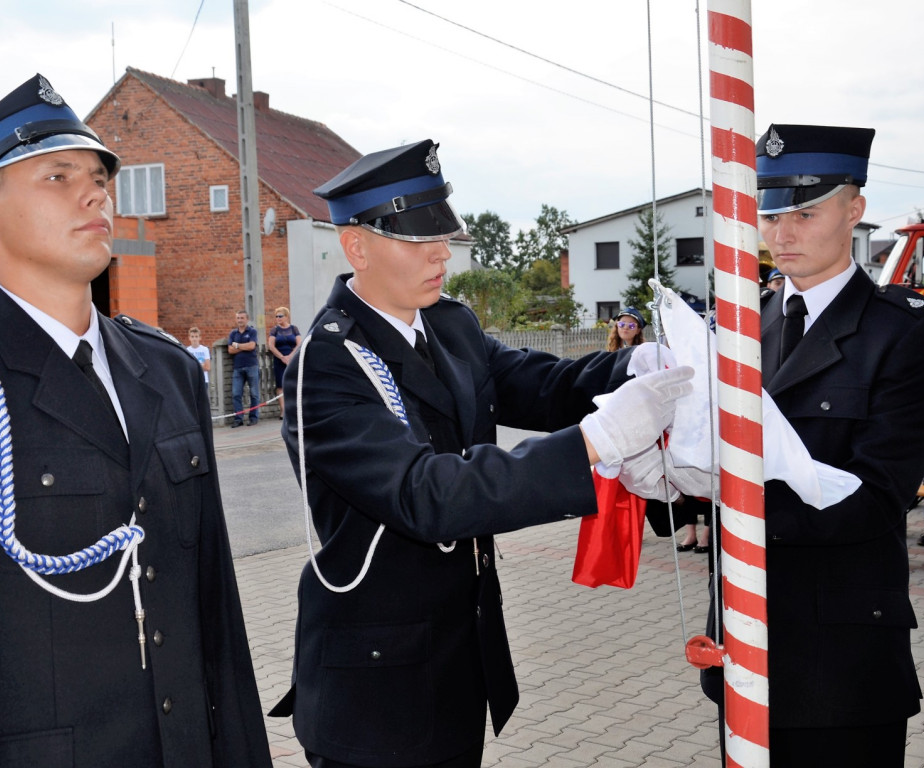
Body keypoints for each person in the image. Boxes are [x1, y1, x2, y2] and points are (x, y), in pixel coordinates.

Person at [266, 139, 694, 768]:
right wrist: (598, 441)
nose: (442, 252)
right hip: (377, 687)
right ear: (357, 245)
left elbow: (538, 385)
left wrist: (632, 366)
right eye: (417, 237)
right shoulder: (326, 363)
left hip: (457, 662)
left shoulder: (448, 324)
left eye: (443, 232)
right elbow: (427, 493)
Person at [0, 74, 272, 766]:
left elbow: (214, 611)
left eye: (99, 176)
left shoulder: (165, 369)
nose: (95, 192)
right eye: (58, 175)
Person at [693, 124, 924, 766]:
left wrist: (734, 504)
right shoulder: (751, 324)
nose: (782, 233)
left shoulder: (905, 332)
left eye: (805, 211)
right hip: (746, 645)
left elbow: (880, 495)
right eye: (771, 214)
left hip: (842, 664)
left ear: (854, 210)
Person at [267, 306, 301, 417]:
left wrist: (290, 356)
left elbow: (299, 343)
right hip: (279, 360)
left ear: (286, 316)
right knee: (280, 385)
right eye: (276, 316)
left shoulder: (293, 329)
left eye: (280, 316)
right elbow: (271, 346)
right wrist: (282, 357)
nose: (278, 318)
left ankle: (294, 408)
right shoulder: (275, 330)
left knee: (293, 383)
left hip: (292, 359)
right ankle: (283, 411)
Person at [228, 309, 259, 427]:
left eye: (242, 318)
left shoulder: (252, 331)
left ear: (247, 319)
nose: (240, 320)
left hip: (251, 365)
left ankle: (253, 417)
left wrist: (237, 345)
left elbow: (252, 346)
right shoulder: (233, 333)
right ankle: (238, 418)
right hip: (238, 367)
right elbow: (230, 350)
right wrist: (242, 347)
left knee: (254, 393)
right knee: (236, 393)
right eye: (238, 318)